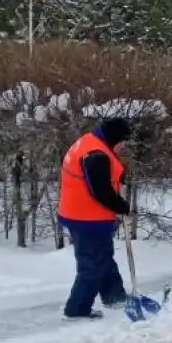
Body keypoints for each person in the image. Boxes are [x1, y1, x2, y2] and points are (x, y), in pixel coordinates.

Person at [57, 117, 133, 320]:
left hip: (85, 215)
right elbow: (99, 190)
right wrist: (120, 206)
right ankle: (76, 310)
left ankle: (116, 299)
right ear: (114, 137)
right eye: (123, 141)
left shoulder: (92, 142)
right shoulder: (96, 155)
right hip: (86, 218)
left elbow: (99, 178)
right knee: (92, 266)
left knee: (103, 259)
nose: (123, 146)